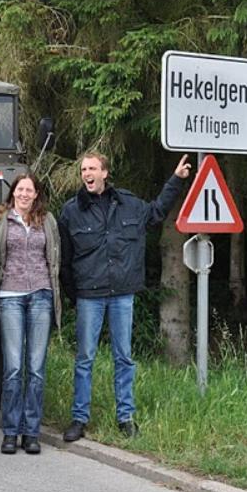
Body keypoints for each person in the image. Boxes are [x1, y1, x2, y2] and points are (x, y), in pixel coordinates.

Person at [59, 152, 190, 441]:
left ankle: (126, 418)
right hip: (89, 295)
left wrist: (176, 180)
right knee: (84, 358)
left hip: (122, 294)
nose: (86, 173)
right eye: (83, 169)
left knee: (124, 357)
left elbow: (156, 212)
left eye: (92, 168)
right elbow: (64, 260)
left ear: (105, 172)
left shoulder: (129, 204)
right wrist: (73, 295)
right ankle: (79, 419)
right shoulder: (71, 211)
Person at [0, 173, 61, 455]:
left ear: (36, 195)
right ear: (13, 192)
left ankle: (31, 433)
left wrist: (50, 288)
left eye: (30, 190)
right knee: (13, 369)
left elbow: (55, 257)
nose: (24, 194)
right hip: (10, 298)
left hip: (41, 296)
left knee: (36, 369)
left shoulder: (47, 221)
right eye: (20, 189)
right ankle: (11, 432)